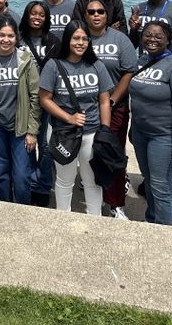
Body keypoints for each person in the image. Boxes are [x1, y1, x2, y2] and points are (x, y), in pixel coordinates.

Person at [38, 20, 114, 215]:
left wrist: (105, 130)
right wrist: (69, 118)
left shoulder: (96, 65)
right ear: (67, 40)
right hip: (62, 133)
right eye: (75, 38)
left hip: (92, 133)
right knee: (65, 179)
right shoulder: (54, 65)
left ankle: (94, 218)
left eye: (84, 39)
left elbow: (105, 100)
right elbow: (45, 99)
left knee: (92, 180)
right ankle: (63, 216)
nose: (80, 43)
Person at [131, 21, 172, 225]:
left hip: (163, 136)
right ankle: (152, 221)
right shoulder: (141, 60)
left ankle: (165, 231)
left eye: (158, 36)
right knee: (148, 181)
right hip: (141, 133)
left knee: (161, 186)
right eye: (148, 35)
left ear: (168, 40)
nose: (152, 39)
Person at [0, 15, 41, 204]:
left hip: (21, 129)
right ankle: (6, 207)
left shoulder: (25, 60)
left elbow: (35, 96)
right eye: (1, 35)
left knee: (21, 176)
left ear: (16, 37)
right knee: (2, 174)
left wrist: (32, 131)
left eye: (10, 36)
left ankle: (23, 208)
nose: (5, 39)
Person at [83, 0, 137, 219]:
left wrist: (113, 100)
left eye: (100, 12)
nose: (96, 15)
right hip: (85, 108)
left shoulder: (120, 39)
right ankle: (92, 199)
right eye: (91, 12)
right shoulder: (79, 37)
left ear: (107, 16)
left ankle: (115, 203)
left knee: (112, 154)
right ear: (85, 15)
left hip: (115, 107)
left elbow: (128, 72)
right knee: (87, 153)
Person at [18, 0, 61, 207]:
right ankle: (28, 183)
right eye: (33, 13)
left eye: (41, 14)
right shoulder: (18, 40)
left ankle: (43, 186)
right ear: (27, 16)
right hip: (23, 101)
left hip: (47, 101)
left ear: (47, 18)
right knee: (26, 144)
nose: (37, 17)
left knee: (45, 146)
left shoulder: (54, 41)